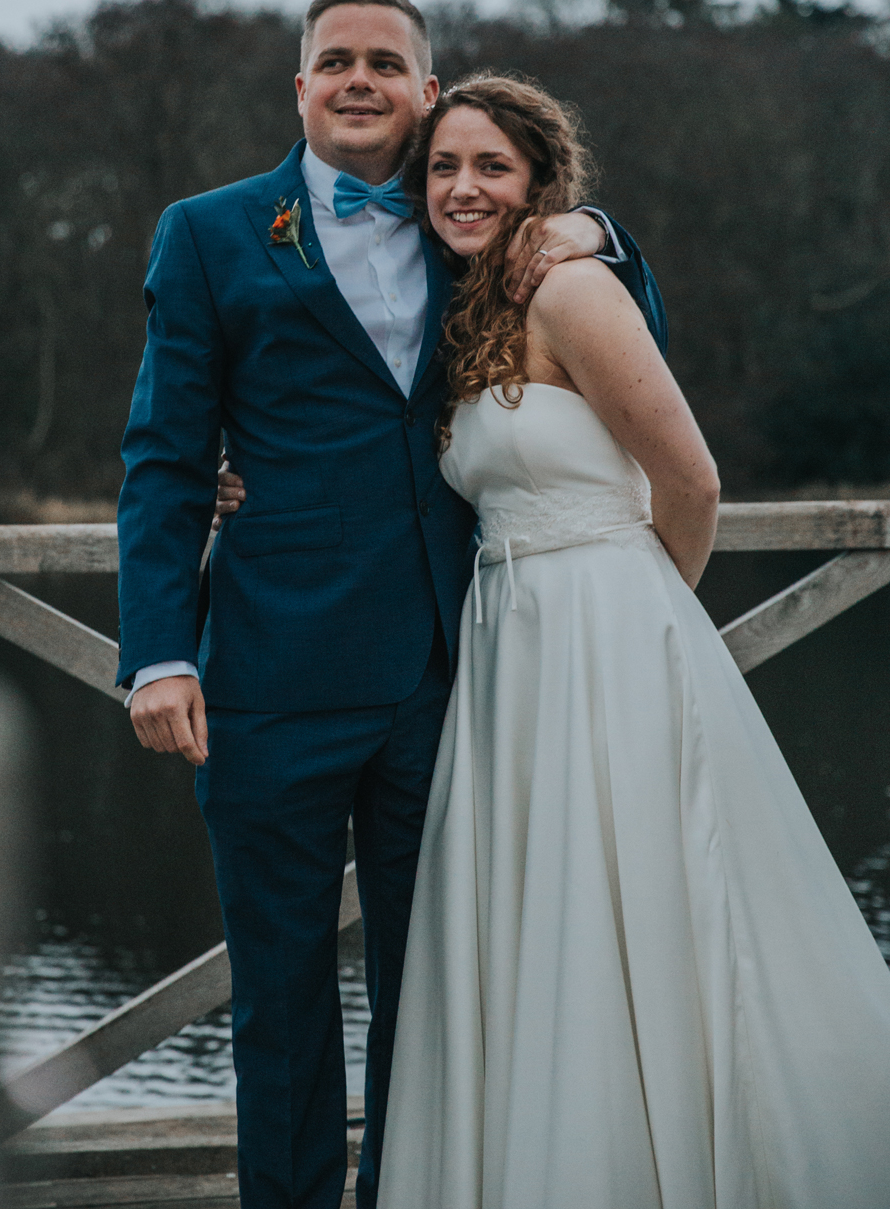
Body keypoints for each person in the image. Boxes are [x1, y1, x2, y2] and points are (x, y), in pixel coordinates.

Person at [115, 0, 665, 1209]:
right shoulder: (207, 233)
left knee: (446, 994)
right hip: (265, 677)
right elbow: (161, 455)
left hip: (448, 674)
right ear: (299, 88)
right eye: (334, 61)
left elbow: (639, 336)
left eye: (384, 62)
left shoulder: (466, 214)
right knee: (283, 998)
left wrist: (599, 236)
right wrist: (158, 652)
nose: (358, 79)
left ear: (425, 91)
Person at [376, 73, 890, 1209]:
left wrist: (647, 616)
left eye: (491, 167)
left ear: (540, 186)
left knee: (652, 898)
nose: (463, 187)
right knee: (543, 916)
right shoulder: (463, 314)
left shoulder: (570, 286)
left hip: (611, 629)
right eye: (445, 168)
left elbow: (690, 479)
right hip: (508, 652)